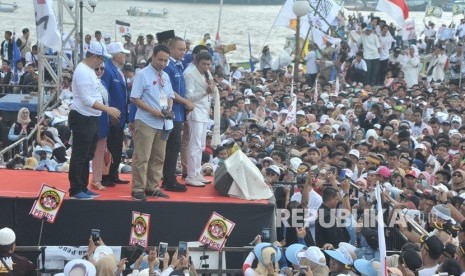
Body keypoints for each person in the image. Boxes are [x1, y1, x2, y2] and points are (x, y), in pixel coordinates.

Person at [68, 41, 120, 200]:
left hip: (92, 117)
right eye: (101, 59)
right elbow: (85, 99)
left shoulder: (89, 70)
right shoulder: (83, 71)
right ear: (94, 56)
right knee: (80, 155)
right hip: (83, 117)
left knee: (88, 154)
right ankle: (76, 189)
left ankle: (83, 186)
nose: (102, 63)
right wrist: (107, 109)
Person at [130, 45, 173, 201]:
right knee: (142, 157)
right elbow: (134, 98)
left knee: (159, 157)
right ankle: (138, 188)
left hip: (163, 122)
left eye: (165, 60)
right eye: (160, 59)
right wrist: (151, 110)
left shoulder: (166, 76)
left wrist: (169, 108)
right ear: (153, 57)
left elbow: (169, 95)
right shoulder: (142, 74)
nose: (162, 63)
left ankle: (152, 186)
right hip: (146, 121)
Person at [162, 37, 194, 192]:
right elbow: (169, 91)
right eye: (180, 49)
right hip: (172, 112)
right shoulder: (168, 66)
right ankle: (169, 180)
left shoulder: (178, 66)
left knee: (174, 147)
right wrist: (185, 102)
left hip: (179, 113)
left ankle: (169, 177)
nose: (183, 52)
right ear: (172, 49)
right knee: (172, 147)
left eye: (185, 49)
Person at [184, 51, 216, 187]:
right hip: (195, 112)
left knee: (201, 145)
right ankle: (190, 175)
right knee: (195, 145)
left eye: (208, 64)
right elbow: (188, 97)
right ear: (197, 62)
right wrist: (205, 92)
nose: (206, 67)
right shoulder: (189, 74)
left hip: (204, 112)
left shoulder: (207, 74)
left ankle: (197, 173)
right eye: (204, 64)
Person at [100, 42, 130, 186]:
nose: (125, 56)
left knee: (117, 146)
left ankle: (113, 174)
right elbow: (105, 93)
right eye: (123, 53)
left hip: (120, 115)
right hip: (112, 115)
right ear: (116, 55)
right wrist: (109, 112)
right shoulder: (107, 69)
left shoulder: (118, 70)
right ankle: (105, 176)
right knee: (110, 146)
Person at [90, 63, 109, 191]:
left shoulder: (103, 82)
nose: (99, 71)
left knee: (100, 151)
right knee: (88, 152)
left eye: (102, 69)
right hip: (91, 119)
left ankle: (97, 179)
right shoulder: (89, 82)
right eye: (96, 68)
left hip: (103, 119)